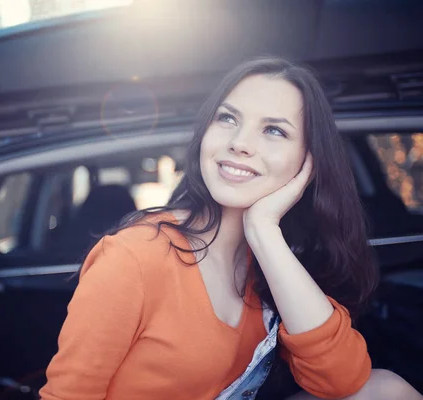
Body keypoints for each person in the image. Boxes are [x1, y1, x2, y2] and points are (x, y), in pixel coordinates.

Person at [39, 57, 423, 400]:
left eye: (274, 130)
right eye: (227, 118)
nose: (239, 143)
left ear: (307, 162)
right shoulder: (134, 257)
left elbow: (342, 379)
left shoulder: (272, 259)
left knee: (385, 390)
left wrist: (264, 231)